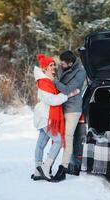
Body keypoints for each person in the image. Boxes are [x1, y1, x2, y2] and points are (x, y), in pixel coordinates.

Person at [31, 53, 79, 181]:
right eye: (50, 65)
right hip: (45, 117)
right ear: (44, 69)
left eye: (54, 65)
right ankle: (46, 168)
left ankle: (37, 170)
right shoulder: (44, 82)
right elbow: (52, 100)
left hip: (46, 117)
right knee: (58, 141)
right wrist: (69, 95)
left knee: (41, 144)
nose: (54, 67)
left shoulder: (48, 81)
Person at [52, 50, 86, 182]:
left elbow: (67, 89)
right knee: (56, 138)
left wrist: (54, 81)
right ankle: (47, 166)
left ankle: (63, 169)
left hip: (73, 110)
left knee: (68, 137)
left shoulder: (80, 72)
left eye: (63, 64)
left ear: (71, 63)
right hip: (59, 107)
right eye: (60, 63)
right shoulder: (62, 67)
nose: (61, 66)